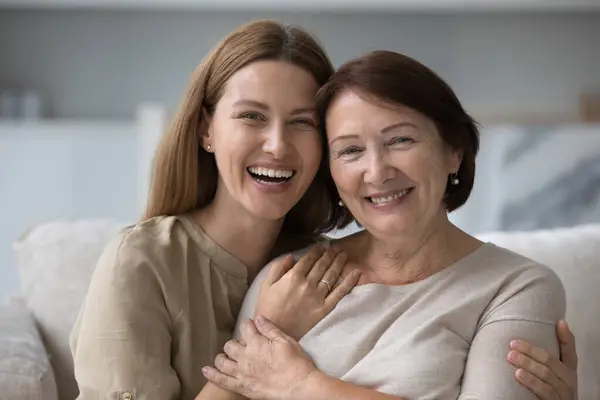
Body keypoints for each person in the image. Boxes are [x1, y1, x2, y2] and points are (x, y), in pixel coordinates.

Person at [201, 50, 580, 400]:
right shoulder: (287, 282)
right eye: (350, 150)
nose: (378, 172)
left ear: (454, 152)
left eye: (400, 139)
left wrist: (302, 386)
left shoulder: (517, 287)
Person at [69, 20, 359, 400]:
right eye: (252, 116)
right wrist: (271, 331)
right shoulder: (140, 263)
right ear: (207, 130)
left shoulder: (328, 267)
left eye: (301, 122)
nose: (277, 145)